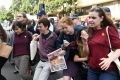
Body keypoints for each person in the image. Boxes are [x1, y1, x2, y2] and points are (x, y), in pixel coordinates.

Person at [81, 6, 120, 80]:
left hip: (108, 70)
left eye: (93, 18)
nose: (90, 20)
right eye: (89, 17)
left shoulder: (109, 30)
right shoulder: (88, 32)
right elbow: (85, 54)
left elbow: (119, 49)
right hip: (92, 70)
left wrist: (109, 60)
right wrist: (85, 43)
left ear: (101, 18)